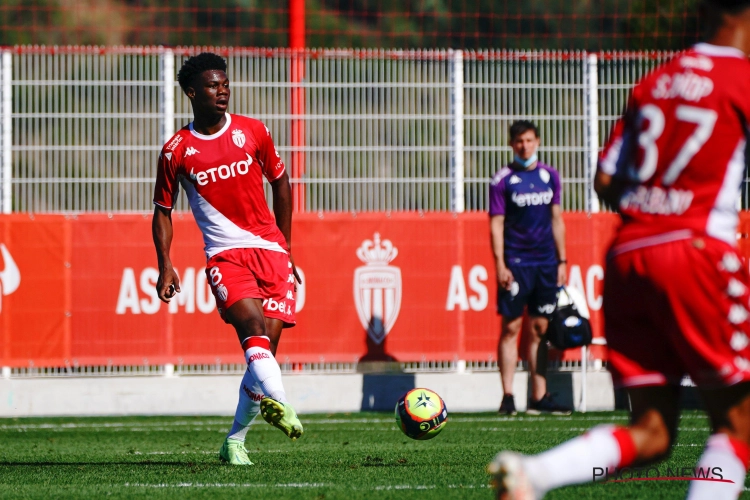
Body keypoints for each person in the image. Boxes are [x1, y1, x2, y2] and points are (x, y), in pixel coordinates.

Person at [489, 1, 750, 498]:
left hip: (629, 254)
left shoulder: (655, 81)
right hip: (696, 251)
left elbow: (605, 179)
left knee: (652, 432)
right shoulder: (741, 77)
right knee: (738, 427)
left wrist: (657, 202)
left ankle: (533, 475)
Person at [152, 52, 303, 466]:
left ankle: (234, 441)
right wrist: (165, 263)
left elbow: (281, 183)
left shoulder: (253, 131)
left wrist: (285, 250)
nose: (223, 90)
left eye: (225, 83)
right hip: (225, 256)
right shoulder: (176, 151)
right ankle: (284, 404)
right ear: (191, 93)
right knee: (252, 330)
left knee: (265, 352)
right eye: (213, 85)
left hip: (271, 253)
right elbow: (162, 211)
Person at [489, 120, 570, 416]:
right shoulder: (502, 180)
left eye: (529, 140)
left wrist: (562, 260)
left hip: (546, 263)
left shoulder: (550, 176)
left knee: (540, 327)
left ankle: (539, 396)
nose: (525, 146)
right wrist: (500, 263)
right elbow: (496, 225)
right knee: (511, 327)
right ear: (512, 144)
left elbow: (556, 219)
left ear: (537, 141)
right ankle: (508, 396)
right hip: (516, 263)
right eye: (519, 141)